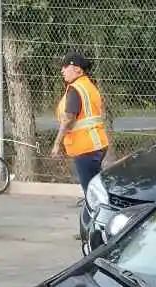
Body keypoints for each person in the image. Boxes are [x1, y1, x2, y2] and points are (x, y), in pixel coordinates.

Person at [53, 53, 110, 193]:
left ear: (78, 69)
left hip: (86, 148)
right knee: (98, 190)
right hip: (97, 144)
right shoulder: (89, 86)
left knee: (92, 194)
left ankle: (96, 214)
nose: (62, 70)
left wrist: (56, 143)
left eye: (66, 66)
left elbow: (68, 119)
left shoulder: (75, 89)